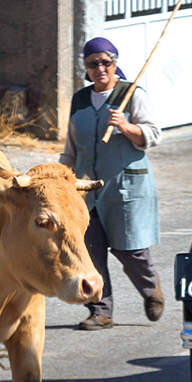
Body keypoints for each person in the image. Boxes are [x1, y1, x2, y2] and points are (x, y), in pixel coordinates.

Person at [59, 37, 164, 331]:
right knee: (91, 251)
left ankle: (150, 288)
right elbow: (71, 146)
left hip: (125, 188)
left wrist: (125, 126)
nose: (100, 68)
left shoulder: (131, 94)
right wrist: (63, 176)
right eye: (93, 64)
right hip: (86, 189)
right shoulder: (80, 100)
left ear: (115, 64)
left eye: (107, 62)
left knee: (130, 250)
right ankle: (101, 311)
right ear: (86, 68)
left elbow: (153, 135)